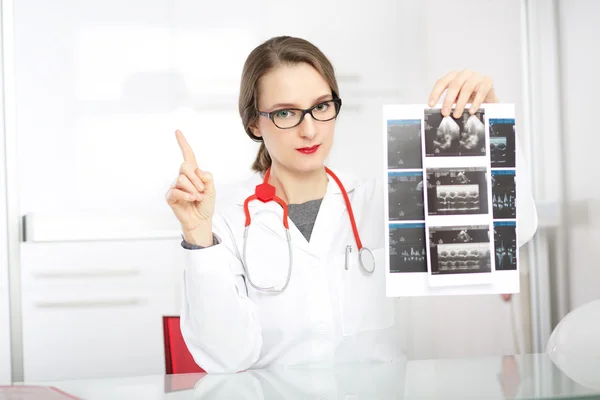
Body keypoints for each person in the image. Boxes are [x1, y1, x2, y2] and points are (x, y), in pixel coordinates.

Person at [165, 36, 538, 373]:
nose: (309, 129)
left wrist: (493, 125)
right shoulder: (226, 223)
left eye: (321, 106)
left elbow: (512, 231)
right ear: (253, 124)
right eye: (285, 113)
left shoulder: (381, 200)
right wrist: (199, 240)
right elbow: (224, 356)